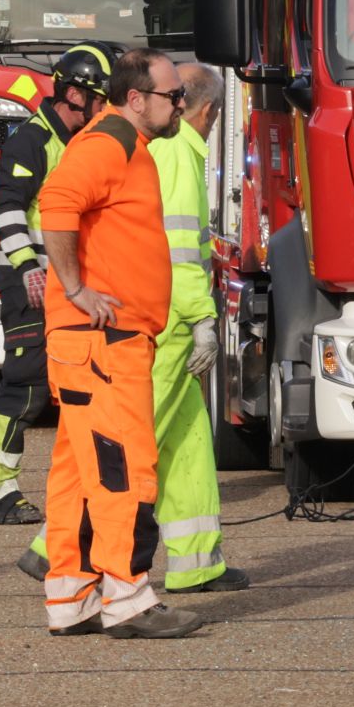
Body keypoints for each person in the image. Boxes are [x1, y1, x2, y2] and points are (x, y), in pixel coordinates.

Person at [36, 48, 200, 638]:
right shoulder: (110, 143)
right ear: (137, 99)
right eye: (172, 95)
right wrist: (77, 289)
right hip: (103, 341)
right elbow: (54, 205)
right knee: (122, 467)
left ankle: (72, 597)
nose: (180, 103)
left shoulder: (121, 145)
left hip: (94, 343)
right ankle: (128, 597)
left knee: (81, 475)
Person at [0, 42, 118, 528]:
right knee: (26, 383)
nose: (106, 110)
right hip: (28, 281)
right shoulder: (30, 141)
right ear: (75, 94)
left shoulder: (81, 141)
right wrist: (28, 265)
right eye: (101, 99)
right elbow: (5, 208)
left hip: (64, 283)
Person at [150, 63, 248, 593]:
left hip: (166, 317)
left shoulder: (163, 150)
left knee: (188, 444)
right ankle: (60, 547)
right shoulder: (180, 155)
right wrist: (202, 320)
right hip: (170, 322)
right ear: (206, 111)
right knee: (137, 439)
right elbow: (181, 254)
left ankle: (196, 564)